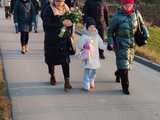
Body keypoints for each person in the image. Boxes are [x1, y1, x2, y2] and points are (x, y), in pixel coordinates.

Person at [107, 0, 149, 95]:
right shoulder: (117, 17)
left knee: (128, 64)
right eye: (126, 5)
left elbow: (142, 25)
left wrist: (146, 34)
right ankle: (125, 87)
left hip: (131, 44)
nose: (128, 6)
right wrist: (110, 43)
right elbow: (110, 31)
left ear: (132, 5)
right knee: (124, 65)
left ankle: (118, 73)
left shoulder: (136, 14)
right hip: (120, 44)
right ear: (122, 5)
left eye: (130, 5)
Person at [41, 0, 73, 92]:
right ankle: (52, 75)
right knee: (51, 60)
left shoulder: (66, 9)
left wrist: (70, 27)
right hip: (52, 39)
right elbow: (46, 25)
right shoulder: (48, 9)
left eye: (61, 1)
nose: (59, 3)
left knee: (65, 60)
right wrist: (61, 24)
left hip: (64, 39)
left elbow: (70, 23)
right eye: (57, 1)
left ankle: (67, 82)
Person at [78, 17, 106, 91]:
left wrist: (107, 47)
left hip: (95, 57)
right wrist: (84, 46)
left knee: (94, 71)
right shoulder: (84, 36)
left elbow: (101, 45)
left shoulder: (96, 35)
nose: (92, 28)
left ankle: (91, 80)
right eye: (90, 27)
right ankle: (86, 84)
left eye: (93, 27)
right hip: (87, 57)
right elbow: (79, 45)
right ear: (87, 27)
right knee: (87, 70)